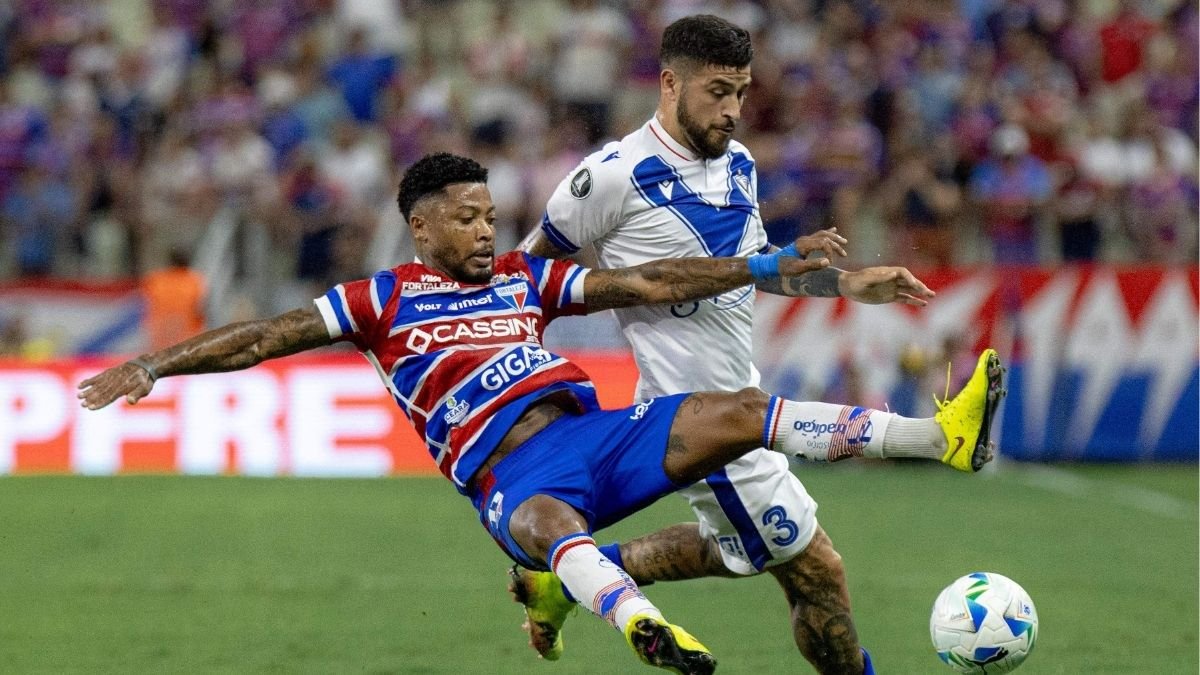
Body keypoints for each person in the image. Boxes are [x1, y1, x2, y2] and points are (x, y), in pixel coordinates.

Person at [78, 153, 1004, 674]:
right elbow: (265, 336)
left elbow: (648, 280)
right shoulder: (379, 299)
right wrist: (153, 364)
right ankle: (644, 626)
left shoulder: (527, 277)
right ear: (423, 227)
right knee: (549, 527)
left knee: (738, 411)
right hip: (511, 476)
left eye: (491, 214)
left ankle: (939, 438)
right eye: (468, 217)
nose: (488, 229)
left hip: (593, 435)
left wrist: (768, 263)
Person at [516, 15, 992, 675]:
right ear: (669, 84)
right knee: (816, 569)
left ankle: (565, 581)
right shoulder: (610, 177)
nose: (733, 110)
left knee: (739, 547)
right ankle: (938, 439)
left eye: (741, 92)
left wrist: (849, 283)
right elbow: (522, 280)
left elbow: (758, 267)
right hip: (697, 416)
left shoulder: (738, 164)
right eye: (718, 92)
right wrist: (524, 380)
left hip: (737, 400)